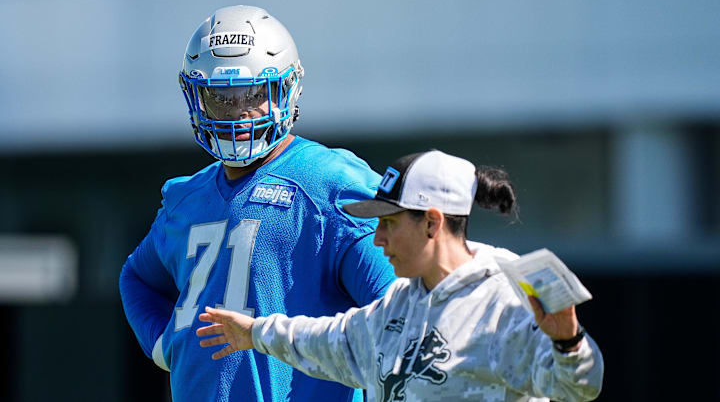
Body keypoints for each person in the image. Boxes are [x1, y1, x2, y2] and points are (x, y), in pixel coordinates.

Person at [118, 5, 396, 402]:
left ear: (288, 89)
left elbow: (397, 316)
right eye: (220, 98)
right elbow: (137, 277)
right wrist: (164, 344)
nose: (238, 113)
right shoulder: (186, 197)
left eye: (253, 94)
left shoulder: (333, 183)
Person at [196, 150, 605, 402]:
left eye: (389, 223)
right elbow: (327, 341)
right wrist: (253, 333)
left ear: (431, 223)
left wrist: (568, 341)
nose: (377, 239)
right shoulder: (400, 303)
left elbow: (577, 389)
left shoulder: (506, 298)